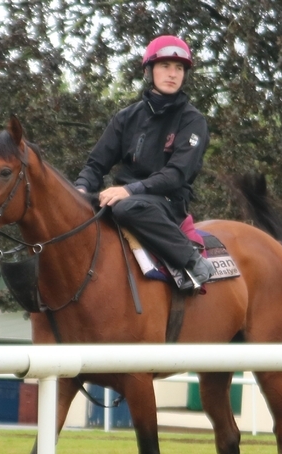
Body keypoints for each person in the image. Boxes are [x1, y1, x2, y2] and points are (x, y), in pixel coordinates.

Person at [74, 35, 215, 292]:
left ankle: (192, 262)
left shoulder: (193, 120)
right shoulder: (126, 117)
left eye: (179, 68)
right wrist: (80, 190)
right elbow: (96, 165)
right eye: (165, 66)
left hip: (168, 201)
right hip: (126, 197)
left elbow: (176, 174)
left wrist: (130, 190)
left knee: (126, 208)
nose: (172, 74)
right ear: (149, 71)